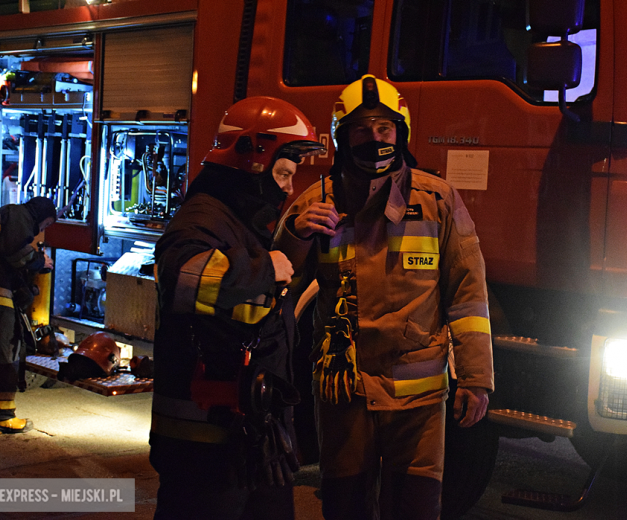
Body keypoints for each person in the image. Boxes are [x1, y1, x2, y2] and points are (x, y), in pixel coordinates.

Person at [274, 75, 494, 519]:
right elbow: (277, 285)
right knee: (345, 507)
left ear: (401, 134)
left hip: (418, 403)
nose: (373, 140)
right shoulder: (314, 204)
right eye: (360, 130)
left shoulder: (438, 202)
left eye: (384, 130)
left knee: (414, 509)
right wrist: (295, 235)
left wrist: (476, 377)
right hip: (345, 394)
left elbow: (468, 295)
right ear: (341, 137)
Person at [149, 96, 325, 520]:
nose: (288, 187)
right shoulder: (201, 218)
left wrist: (294, 240)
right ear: (254, 161)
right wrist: (267, 267)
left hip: (246, 434)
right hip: (204, 445)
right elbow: (188, 278)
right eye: (283, 173)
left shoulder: (235, 219)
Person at [0, 196, 56, 435]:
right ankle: (1, 416)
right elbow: (15, 251)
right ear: (41, 216)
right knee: (2, 355)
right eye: (45, 225)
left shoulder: (5, 215)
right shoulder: (19, 215)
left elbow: (4, 258)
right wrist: (39, 261)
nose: (40, 231)